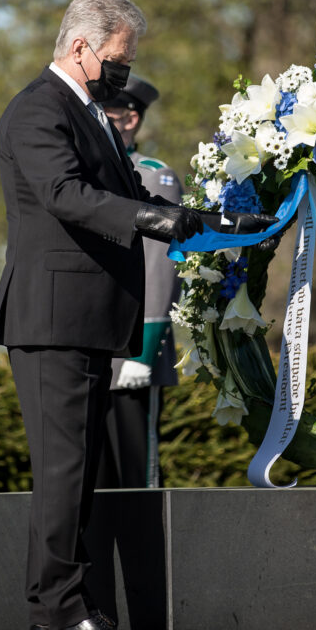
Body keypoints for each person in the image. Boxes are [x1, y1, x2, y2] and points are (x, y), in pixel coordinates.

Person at [0, 0, 273, 630]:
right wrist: (154, 221)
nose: (123, 74)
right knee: (64, 470)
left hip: (86, 318)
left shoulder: (86, 111)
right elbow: (65, 195)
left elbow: (136, 197)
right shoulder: (40, 108)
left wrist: (214, 222)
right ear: (81, 46)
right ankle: (58, 611)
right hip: (53, 317)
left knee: (79, 471)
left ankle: (59, 612)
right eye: (118, 60)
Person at [97, 74, 182, 488]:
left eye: (106, 113)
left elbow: (161, 266)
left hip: (133, 353)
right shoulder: (98, 170)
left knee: (136, 476)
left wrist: (145, 350)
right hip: (98, 347)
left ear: (129, 119)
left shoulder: (152, 177)